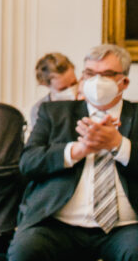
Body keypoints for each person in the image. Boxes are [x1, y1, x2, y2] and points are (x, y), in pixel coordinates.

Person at [8, 43, 138, 261]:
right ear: (82, 78)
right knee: (25, 250)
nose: (96, 81)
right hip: (58, 225)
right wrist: (78, 150)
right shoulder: (54, 113)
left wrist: (118, 145)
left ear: (123, 81)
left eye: (106, 74)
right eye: (90, 73)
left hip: (125, 228)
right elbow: (28, 163)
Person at [29, 51, 78, 129]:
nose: (72, 91)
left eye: (74, 84)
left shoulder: (87, 101)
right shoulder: (38, 110)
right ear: (45, 84)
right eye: (63, 89)